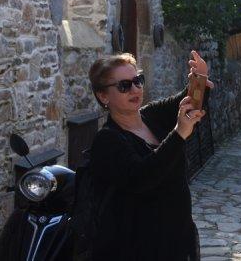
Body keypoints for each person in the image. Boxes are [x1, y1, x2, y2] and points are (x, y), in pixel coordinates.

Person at [87, 50, 214, 261]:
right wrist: (179, 133)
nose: (135, 89)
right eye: (124, 86)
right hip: (138, 247)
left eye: (138, 81)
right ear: (103, 96)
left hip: (176, 238)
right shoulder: (107, 140)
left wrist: (200, 78)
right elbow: (142, 177)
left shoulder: (152, 115)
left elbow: (188, 101)